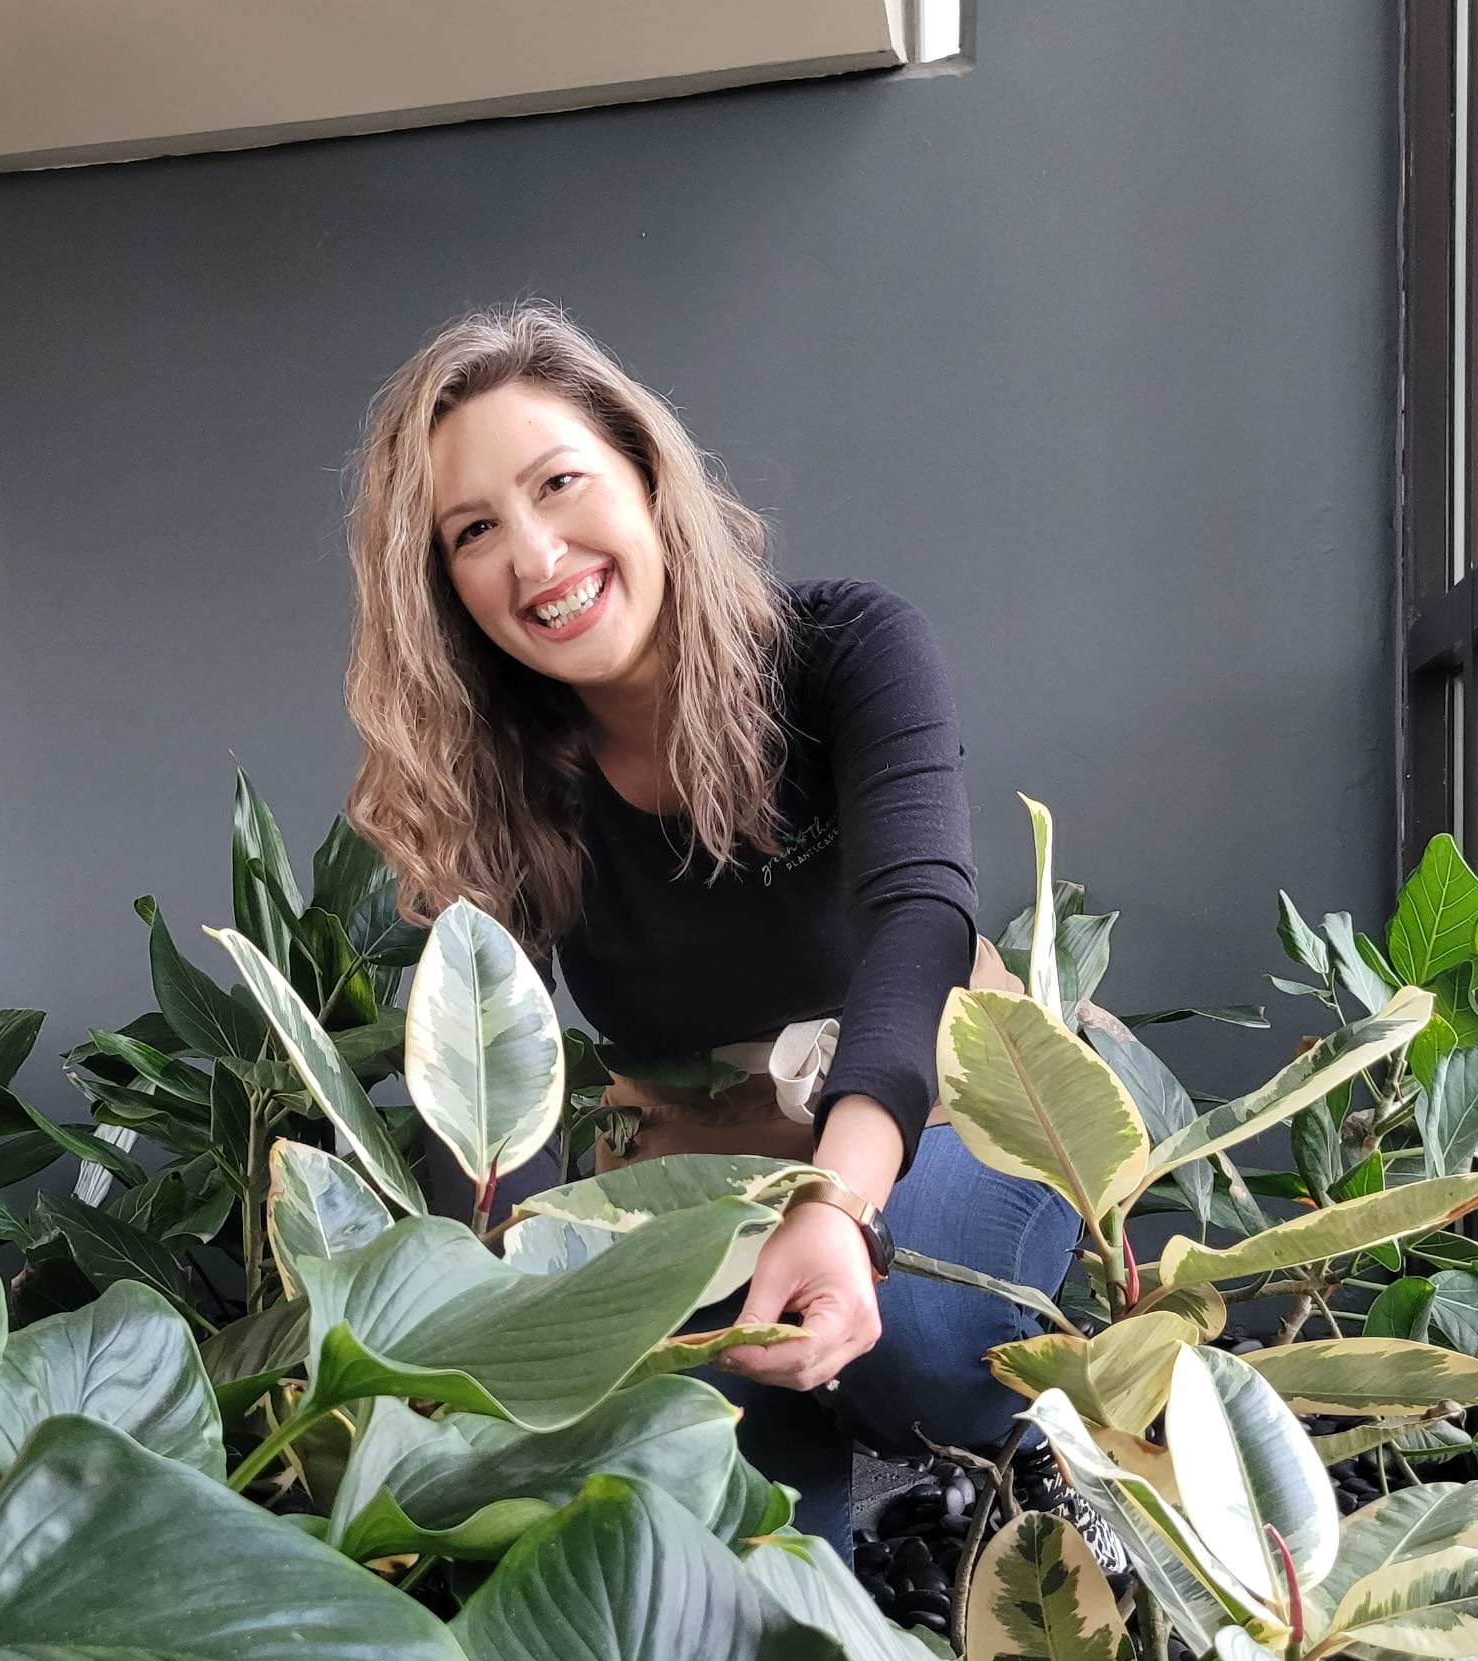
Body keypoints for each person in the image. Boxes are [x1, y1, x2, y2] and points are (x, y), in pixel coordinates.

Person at [341, 301, 1079, 1548]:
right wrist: (483, 1322)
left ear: (643, 471)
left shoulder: (844, 647)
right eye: (473, 530)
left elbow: (917, 915)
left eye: (558, 482)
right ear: (442, 586)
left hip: (942, 1109)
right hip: (694, 1161)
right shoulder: (500, 778)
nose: (534, 555)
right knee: (684, 1474)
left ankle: (1039, 1482)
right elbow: (489, 1065)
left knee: (918, 1333)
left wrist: (836, 1203)